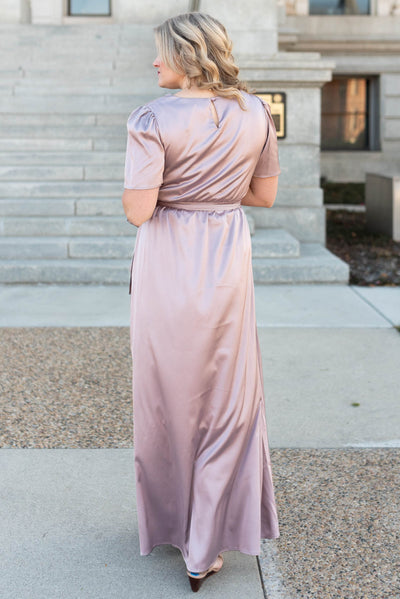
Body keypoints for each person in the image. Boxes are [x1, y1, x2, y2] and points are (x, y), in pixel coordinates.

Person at [122, 11, 281, 593]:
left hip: (169, 262)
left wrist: (176, 188)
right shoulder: (256, 112)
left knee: (168, 396)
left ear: (186, 56)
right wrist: (213, 189)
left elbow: (139, 210)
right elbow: (263, 195)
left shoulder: (150, 118)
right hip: (227, 263)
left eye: (161, 52)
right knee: (229, 398)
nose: (155, 62)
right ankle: (205, 542)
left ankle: (176, 523)